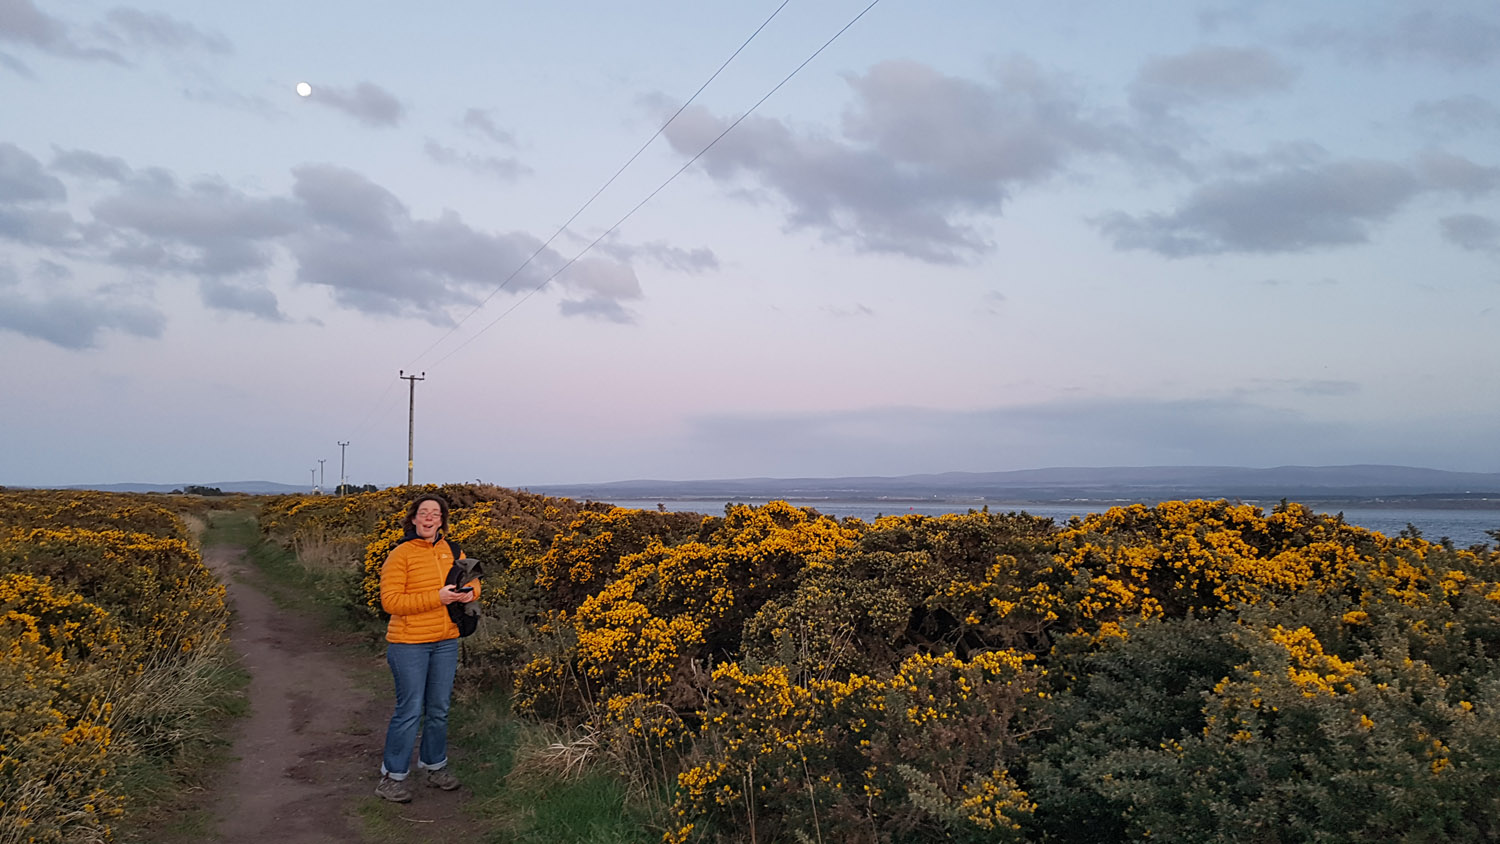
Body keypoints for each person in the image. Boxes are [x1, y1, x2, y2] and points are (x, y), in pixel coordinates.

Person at [374, 493, 479, 803]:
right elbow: (390, 602)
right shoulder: (400, 554)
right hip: (409, 644)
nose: (430, 518)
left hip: (445, 641)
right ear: (414, 519)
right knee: (409, 709)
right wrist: (438, 597)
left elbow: (473, 579)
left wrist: (467, 594)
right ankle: (392, 777)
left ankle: (435, 766)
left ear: (442, 520)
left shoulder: (453, 550)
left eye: (436, 513)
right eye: (424, 513)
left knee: (439, 708)